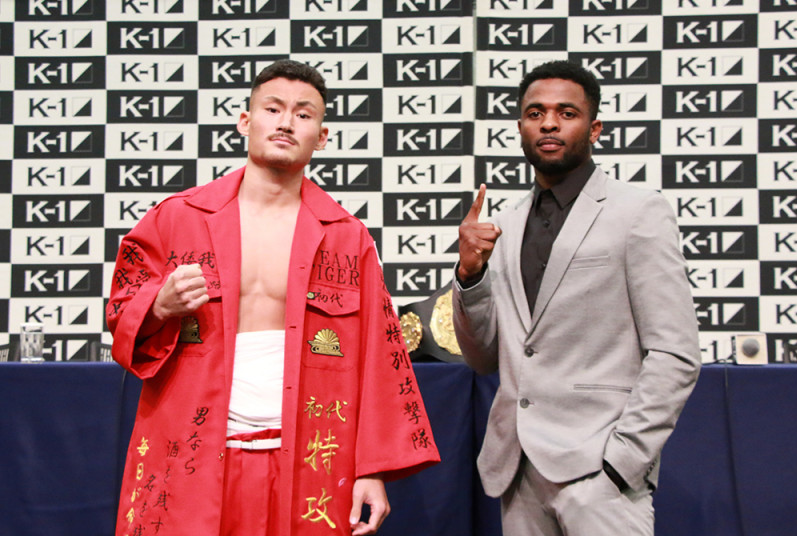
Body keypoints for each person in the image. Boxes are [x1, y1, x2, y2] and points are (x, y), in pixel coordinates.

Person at [107, 59, 439, 536]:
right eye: (273, 108)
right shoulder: (176, 218)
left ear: (321, 137)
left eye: (304, 114)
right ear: (245, 121)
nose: (286, 122)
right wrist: (159, 306)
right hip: (195, 456)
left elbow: (380, 360)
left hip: (309, 460)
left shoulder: (347, 237)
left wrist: (372, 471)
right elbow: (121, 316)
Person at [452, 60, 701, 535]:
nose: (549, 123)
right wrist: (470, 275)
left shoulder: (638, 211)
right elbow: (482, 358)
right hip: (518, 473)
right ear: (521, 127)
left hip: (600, 474)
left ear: (594, 128)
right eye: (535, 113)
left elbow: (676, 352)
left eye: (566, 113)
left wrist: (622, 462)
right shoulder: (503, 225)